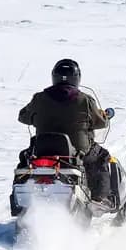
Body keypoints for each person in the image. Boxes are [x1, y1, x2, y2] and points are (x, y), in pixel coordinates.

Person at [18, 58, 114, 203]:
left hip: (42, 150)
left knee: (24, 158)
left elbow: (23, 117)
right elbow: (100, 122)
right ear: (77, 78)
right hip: (77, 152)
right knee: (102, 156)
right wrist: (105, 116)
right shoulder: (84, 100)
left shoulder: (39, 98)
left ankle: (22, 194)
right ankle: (99, 198)